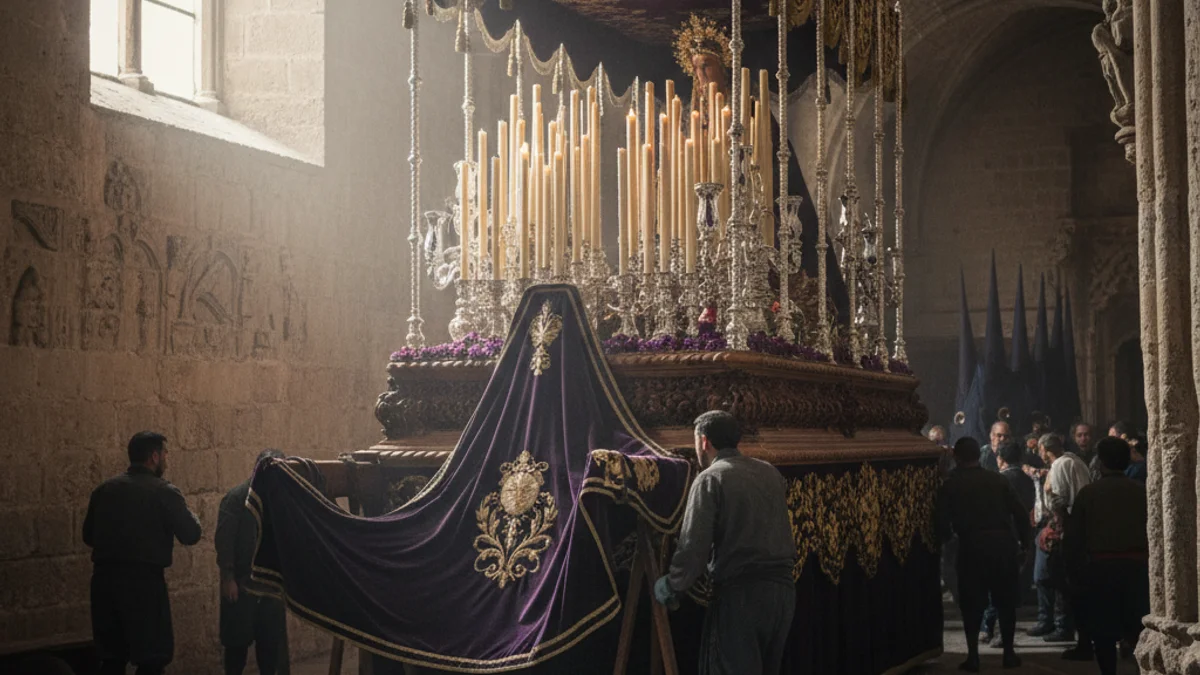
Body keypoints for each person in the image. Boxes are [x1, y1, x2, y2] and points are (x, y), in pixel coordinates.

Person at [655, 411, 796, 675]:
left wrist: (671, 587)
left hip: (741, 598)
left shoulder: (710, 479)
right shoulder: (769, 472)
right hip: (783, 595)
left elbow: (692, 550)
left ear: (704, 441)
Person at [83, 432, 202, 675]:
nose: (166, 459)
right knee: (151, 659)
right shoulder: (164, 492)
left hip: (104, 584)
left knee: (112, 659)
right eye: (165, 454)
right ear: (154, 457)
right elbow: (191, 534)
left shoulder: (104, 490)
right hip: (144, 585)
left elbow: (88, 536)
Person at [936, 437, 1031, 672]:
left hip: (971, 546)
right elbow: (1020, 512)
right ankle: (1009, 654)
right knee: (1005, 602)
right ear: (978, 455)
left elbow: (941, 520)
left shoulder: (951, 485)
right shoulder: (998, 479)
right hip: (1002, 545)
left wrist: (948, 541)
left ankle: (973, 656)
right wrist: (1025, 543)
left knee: (972, 604)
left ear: (957, 457)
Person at [1065, 437, 1149, 675]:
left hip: (1101, 569)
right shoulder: (1141, 491)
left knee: (1103, 632)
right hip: (1137, 568)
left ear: (1100, 462)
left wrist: (1073, 573)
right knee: (1138, 628)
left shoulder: (1089, 493)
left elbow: (1074, 538)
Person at [217, 449, 291, 675]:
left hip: (270, 587)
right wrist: (228, 577)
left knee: (270, 647)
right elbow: (225, 539)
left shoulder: (279, 501)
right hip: (243, 583)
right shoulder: (237, 498)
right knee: (236, 645)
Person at [979, 441, 1035, 647]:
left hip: (996, 538)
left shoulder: (997, 481)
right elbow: (1028, 510)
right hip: (1016, 540)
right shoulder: (1027, 481)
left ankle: (988, 628)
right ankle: (997, 631)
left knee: (993, 587)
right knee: (1008, 589)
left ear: (1000, 459)